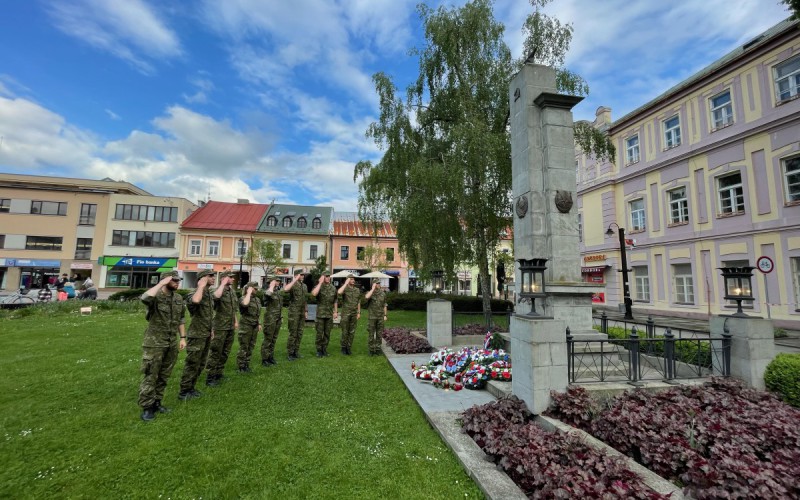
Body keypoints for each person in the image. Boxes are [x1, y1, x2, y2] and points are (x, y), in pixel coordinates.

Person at [138, 270, 186, 422]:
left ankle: (157, 402)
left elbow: (181, 319)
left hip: (171, 342)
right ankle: (147, 407)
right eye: (174, 280)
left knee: (164, 374)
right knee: (151, 374)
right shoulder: (156, 297)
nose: (178, 283)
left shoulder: (178, 298)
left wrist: (183, 337)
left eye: (179, 280)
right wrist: (161, 284)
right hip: (155, 343)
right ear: (166, 281)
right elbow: (144, 298)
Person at [178, 269, 216, 401]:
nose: (213, 278)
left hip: (205, 333)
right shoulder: (194, 293)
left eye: (213, 276)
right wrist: (201, 286)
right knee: (192, 363)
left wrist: (211, 329)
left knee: (201, 363)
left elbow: (208, 315)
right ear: (202, 278)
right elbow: (195, 301)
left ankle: (191, 388)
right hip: (196, 334)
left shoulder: (209, 294)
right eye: (210, 276)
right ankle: (184, 391)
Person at [205, 271, 238, 387]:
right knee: (216, 351)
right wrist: (222, 284)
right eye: (231, 277)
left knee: (225, 351)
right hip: (220, 326)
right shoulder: (218, 290)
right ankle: (210, 377)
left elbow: (233, 308)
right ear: (224, 278)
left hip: (229, 326)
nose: (233, 279)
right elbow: (215, 297)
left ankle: (219, 373)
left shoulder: (232, 292)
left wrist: (235, 321)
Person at [236, 282, 262, 373]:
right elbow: (245, 304)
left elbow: (257, 313)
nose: (257, 290)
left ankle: (246, 364)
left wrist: (259, 323)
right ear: (249, 289)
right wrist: (248, 293)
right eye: (255, 288)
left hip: (254, 325)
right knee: (244, 346)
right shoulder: (243, 298)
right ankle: (241, 366)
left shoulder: (257, 299)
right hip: (246, 326)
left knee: (251, 346)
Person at [283, 269, 308, 360]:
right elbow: (285, 289)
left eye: (303, 275)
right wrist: (294, 279)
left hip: (301, 312)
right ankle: (290, 353)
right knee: (293, 333)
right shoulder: (293, 285)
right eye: (301, 275)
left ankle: (295, 352)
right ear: (297, 275)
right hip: (294, 312)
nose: (303, 276)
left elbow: (305, 300)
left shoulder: (304, 286)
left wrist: (306, 311)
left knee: (299, 332)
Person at [312, 271, 337, 357]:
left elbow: (335, 300)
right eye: (326, 276)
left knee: (327, 333)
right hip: (320, 315)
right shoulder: (319, 287)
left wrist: (335, 311)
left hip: (329, 314)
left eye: (329, 276)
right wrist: (320, 282)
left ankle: (324, 349)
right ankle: (319, 350)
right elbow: (314, 294)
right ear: (323, 277)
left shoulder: (333, 288)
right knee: (319, 333)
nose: (328, 278)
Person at [260, 275, 282, 366]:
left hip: (277, 318)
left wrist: (281, 317)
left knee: (273, 339)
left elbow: (279, 306)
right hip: (270, 319)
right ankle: (264, 359)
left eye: (279, 281)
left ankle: (270, 357)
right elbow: (268, 295)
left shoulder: (277, 293)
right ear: (271, 282)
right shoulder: (268, 291)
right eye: (276, 280)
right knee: (268, 339)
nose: (278, 282)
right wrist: (271, 286)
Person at [337, 274, 362, 355]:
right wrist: (345, 283)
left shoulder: (357, 290)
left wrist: (359, 312)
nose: (353, 280)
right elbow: (339, 292)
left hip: (354, 313)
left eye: (353, 279)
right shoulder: (345, 289)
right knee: (345, 331)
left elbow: (358, 302)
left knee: (352, 331)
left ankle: (348, 347)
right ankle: (343, 347)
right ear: (347, 280)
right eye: (351, 279)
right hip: (346, 313)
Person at [364, 279, 389, 356]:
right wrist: (372, 289)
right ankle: (371, 350)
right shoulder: (370, 293)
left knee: (379, 333)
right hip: (372, 317)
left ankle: (378, 349)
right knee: (371, 333)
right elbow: (366, 297)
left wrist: (385, 315)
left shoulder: (383, 294)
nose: (378, 284)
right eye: (377, 283)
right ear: (373, 284)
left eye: (379, 283)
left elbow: (384, 305)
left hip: (380, 317)